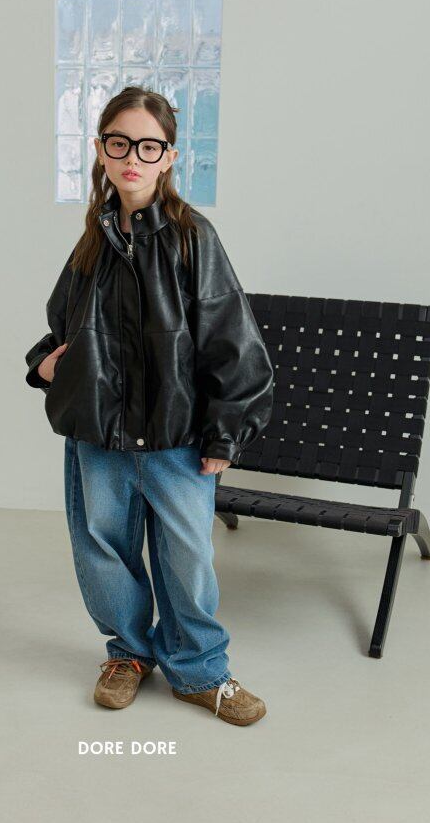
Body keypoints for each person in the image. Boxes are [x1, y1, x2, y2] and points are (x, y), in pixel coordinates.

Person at [25, 86, 274, 727]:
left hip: (176, 439)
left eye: (148, 146)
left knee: (187, 559)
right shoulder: (92, 241)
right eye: (119, 144)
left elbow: (233, 342)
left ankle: (200, 671)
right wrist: (44, 364)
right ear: (101, 151)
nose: (132, 157)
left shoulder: (193, 239)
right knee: (103, 551)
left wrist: (224, 434)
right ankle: (128, 655)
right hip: (98, 436)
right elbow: (63, 329)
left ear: (169, 156)